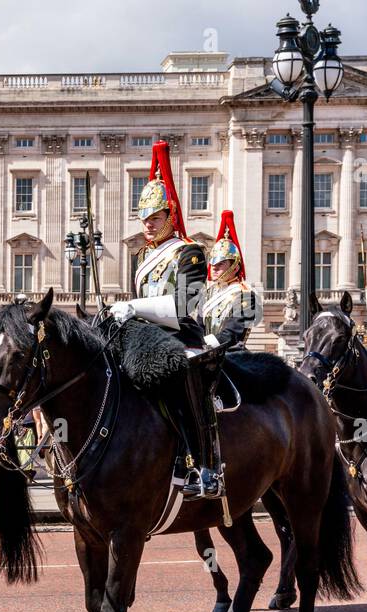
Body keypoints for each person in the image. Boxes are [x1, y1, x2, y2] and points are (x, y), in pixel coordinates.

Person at [108, 139, 220, 500]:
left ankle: (203, 465)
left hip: (181, 335)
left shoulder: (190, 253)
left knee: (182, 374)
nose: (148, 225)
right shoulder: (142, 257)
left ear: (171, 216)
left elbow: (186, 303)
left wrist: (135, 308)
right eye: (144, 219)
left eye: (155, 218)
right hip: (145, 335)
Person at [200, 211, 262, 349]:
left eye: (220, 264)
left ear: (235, 267)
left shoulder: (245, 295)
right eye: (212, 264)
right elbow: (199, 326)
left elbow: (232, 334)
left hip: (231, 354)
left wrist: (203, 345)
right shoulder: (208, 293)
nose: (214, 268)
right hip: (205, 353)